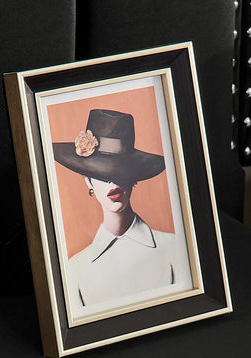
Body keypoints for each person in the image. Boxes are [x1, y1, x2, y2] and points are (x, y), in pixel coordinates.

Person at [52, 108, 193, 318]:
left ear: (134, 177)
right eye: (100, 172)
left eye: (120, 172)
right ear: (87, 180)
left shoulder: (176, 247)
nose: (113, 182)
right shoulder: (73, 270)